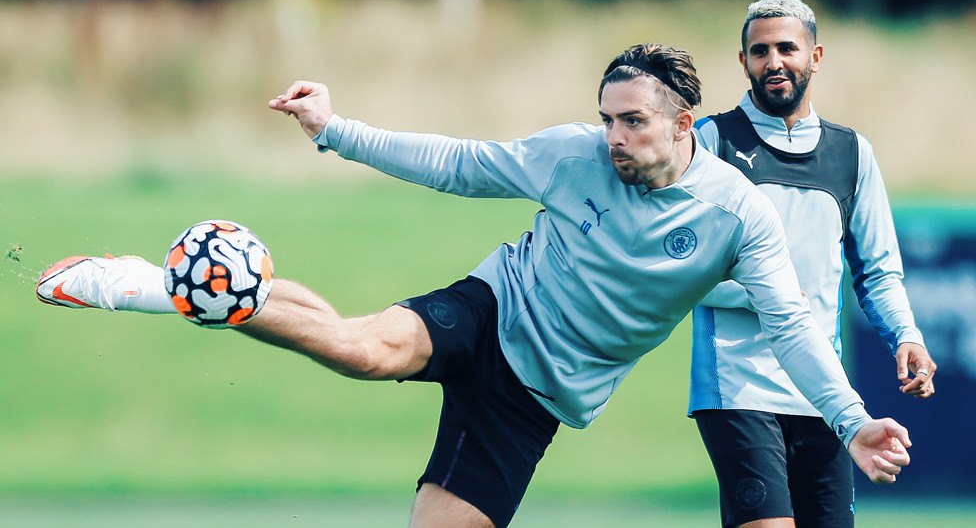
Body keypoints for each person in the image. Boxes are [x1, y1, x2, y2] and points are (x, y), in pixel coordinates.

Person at [35, 43, 911, 528]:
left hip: (539, 397)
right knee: (360, 349)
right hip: (492, 311)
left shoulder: (738, 214)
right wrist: (335, 129)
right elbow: (459, 164)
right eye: (607, 117)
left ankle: (195, 287)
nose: (612, 136)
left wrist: (852, 420)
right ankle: (159, 285)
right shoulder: (572, 152)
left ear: (685, 125)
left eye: (632, 121)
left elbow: (794, 326)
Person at [688, 0, 937, 528]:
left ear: (815, 56)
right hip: (737, 385)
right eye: (760, 51)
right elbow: (678, 266)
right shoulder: (710, 142)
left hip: (823, 389)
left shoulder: (852, 153)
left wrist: (906, 335)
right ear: (743, 62)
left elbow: (877, 270)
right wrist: (768, 294)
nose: (774, 61)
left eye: (787, 48)